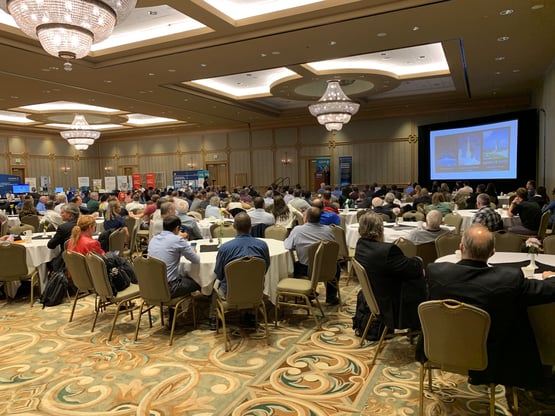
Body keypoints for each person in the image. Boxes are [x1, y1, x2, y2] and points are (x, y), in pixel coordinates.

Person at [424, 224, 555, 389]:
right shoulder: (508, 279)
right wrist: (550, 278)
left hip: (443, 346)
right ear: (493, 252)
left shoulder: (436, 272)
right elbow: (546, 291)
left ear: (461, 248)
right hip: (494, 356)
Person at [354, 212, 425, 329]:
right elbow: (412, 268)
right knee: (429, 283)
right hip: (392, 305)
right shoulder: (387, 251)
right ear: (381, 230)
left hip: (375, 296)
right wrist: (419, 261)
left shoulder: (360, 245)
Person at [211, 212, 270, 329]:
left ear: (234, 227)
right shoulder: (262, 245)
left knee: (214, 283)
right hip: (255, 290)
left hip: (230, 293)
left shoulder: (225, 248)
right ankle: (249, 314)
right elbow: (265, 268)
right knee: (249, 280)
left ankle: (213, 318)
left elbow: (219, 273)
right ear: (251, 226)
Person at [284, 206, 339, 305]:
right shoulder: (328, 230)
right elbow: (332, 247)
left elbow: (287, 246)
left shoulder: (298, 230)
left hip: (306, 269)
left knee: (291, 267)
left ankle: (306, 294)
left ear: (306, 218)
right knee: (337, 266)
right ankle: (331, 296)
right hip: (327, 269)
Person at [148, 215, 201, 300]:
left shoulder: (153, 239)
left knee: (181, 274)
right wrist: (191, 251)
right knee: (199, 281)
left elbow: (168, 254)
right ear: (177, 228)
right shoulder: (177, 240)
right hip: (170, 287)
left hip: (152, 285)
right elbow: (196, 260)